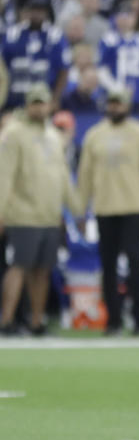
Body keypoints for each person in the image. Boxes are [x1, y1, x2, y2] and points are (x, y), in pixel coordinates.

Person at [77, 88, 139, 335]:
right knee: (108, 266)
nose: (115, 108)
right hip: (104, 208)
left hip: (134, 208)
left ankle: (138, 319)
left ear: (127, 106)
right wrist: (81, 211)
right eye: (112, 104)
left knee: (136, 264)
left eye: (119, 104)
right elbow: (84, 176)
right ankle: (112, 320)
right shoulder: (94, 135)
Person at [0, 84, 81, 335]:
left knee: (43, 271)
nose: (38, 107)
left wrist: (76, 210)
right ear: (27, 104)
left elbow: (63, 176)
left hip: (49, 215)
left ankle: (36, 321)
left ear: (49, 105)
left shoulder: (54, 137)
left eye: (42, 102)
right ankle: (7, 320)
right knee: (19, 267)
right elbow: (4, 176)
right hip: (22, 214)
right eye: (34, 102)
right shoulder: (13, 134)